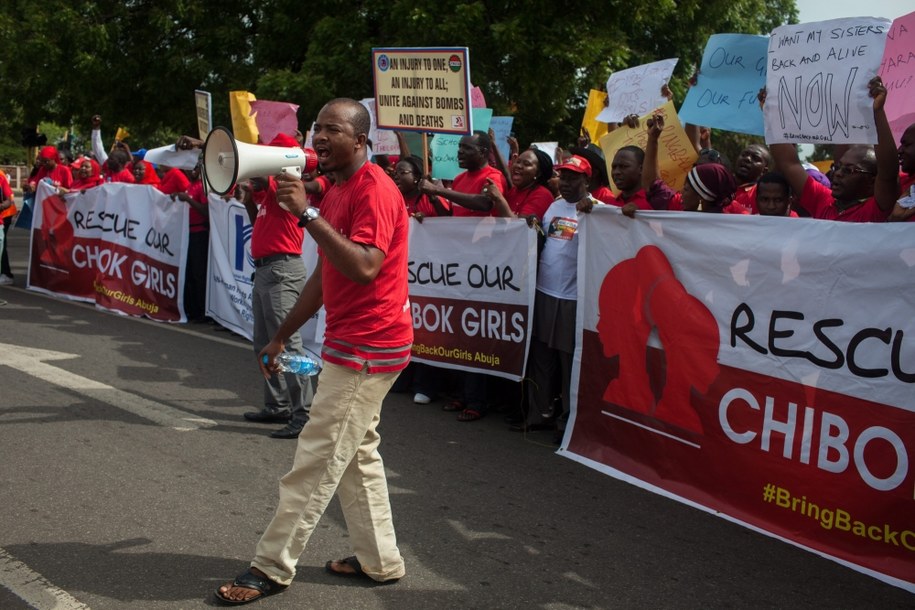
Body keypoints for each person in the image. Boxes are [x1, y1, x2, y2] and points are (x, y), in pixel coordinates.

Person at [215, 97, 411, 605]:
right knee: (356, 456)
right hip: (356, 342)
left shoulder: (375, 191)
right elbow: (328, 273)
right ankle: (380, 560)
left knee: (317, 458)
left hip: (370, 347)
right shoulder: (344, 189)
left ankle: (270, 566)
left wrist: (305, 213)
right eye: (317, 128)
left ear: (361, 140)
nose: (319, 137)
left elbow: (365, 266)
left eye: (333, 129)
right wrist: (282, 335)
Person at [236, 133, 315, 439]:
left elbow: (258, 179)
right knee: (264, 342)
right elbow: (259, 223)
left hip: (282, 270)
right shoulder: (270, 196)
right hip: (267, 270)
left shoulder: (285, 185)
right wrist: (247, 203)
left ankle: (303, 413)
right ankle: (278, 404)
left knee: (288, 344)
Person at [520, 154, 597, 440]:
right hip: (543, 292)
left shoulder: (596, 211)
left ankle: (568, 422)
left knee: (568, 364)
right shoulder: (553, 207)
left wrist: (593, 212)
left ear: (586, 180)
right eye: (563, 176)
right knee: (541, 359)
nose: (565, 182)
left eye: (572, 177)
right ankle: (540, 414)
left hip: (572, 299)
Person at [768, 77, 898, 222]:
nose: (838, 174)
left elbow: (888, 172)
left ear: (871, 182)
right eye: (838, 167)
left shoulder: (877, 209)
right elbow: (789, 164)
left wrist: (878, 112)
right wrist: (771, 114)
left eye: (849, 170)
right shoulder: (822, 200)